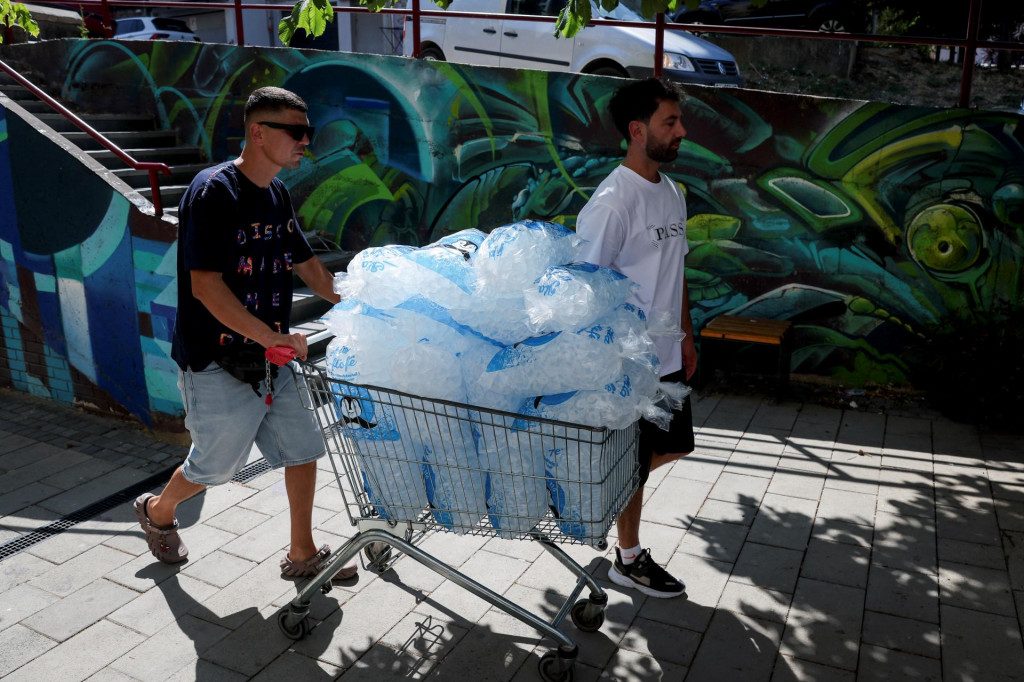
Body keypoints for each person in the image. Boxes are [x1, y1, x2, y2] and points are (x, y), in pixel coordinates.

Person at [133, 86, 354, 580]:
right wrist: (271, 337)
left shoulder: (275, 193)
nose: (305, 142)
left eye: (308, 133)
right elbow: (207, 289)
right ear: (259, 132)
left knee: (303, 449)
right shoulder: (214, 191)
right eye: (295, 132)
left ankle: (303, 554)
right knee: (214, 469)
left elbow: (309, 266)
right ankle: (158, 511)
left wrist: (361, 302)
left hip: (268, 357)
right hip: (215, 358)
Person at [576, 77, 696, 599]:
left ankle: (599, 486)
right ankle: (628, 557)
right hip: (628, 363)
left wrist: (687, 335)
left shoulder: (670, 193)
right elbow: (584, 288)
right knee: (633, 462)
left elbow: (678, 270)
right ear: (637, 129)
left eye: (678, 121)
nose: (681, 131)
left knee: (674, 447)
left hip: (668, 353)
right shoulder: (612, 203)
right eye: (671, 122)